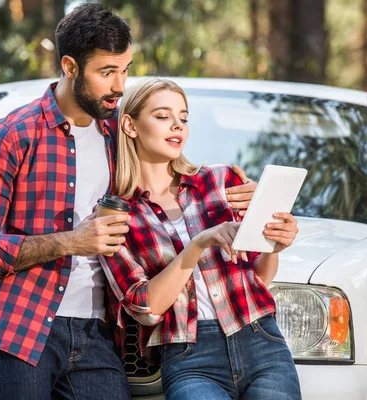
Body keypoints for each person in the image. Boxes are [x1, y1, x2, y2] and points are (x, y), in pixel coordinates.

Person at [0, 4, 256, 400]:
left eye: (126, 69)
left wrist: (241, 193)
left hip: (101, 335)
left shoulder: (122, 133)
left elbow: (177, 175)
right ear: (70, 66)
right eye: (107, 72)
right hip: (23, 328)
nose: (120, 85)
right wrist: (69, 242)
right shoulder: (14, 135)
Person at [101, 77, 302, 400]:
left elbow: (260, 275)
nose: (177, 126)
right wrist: (197, 245)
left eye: (183, 117)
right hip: (189, 357)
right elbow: (145, 307)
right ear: (130, 125)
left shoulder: (222, 182)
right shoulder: (119, 214)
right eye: (163, 116)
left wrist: (274, 245)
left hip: (261, 339)